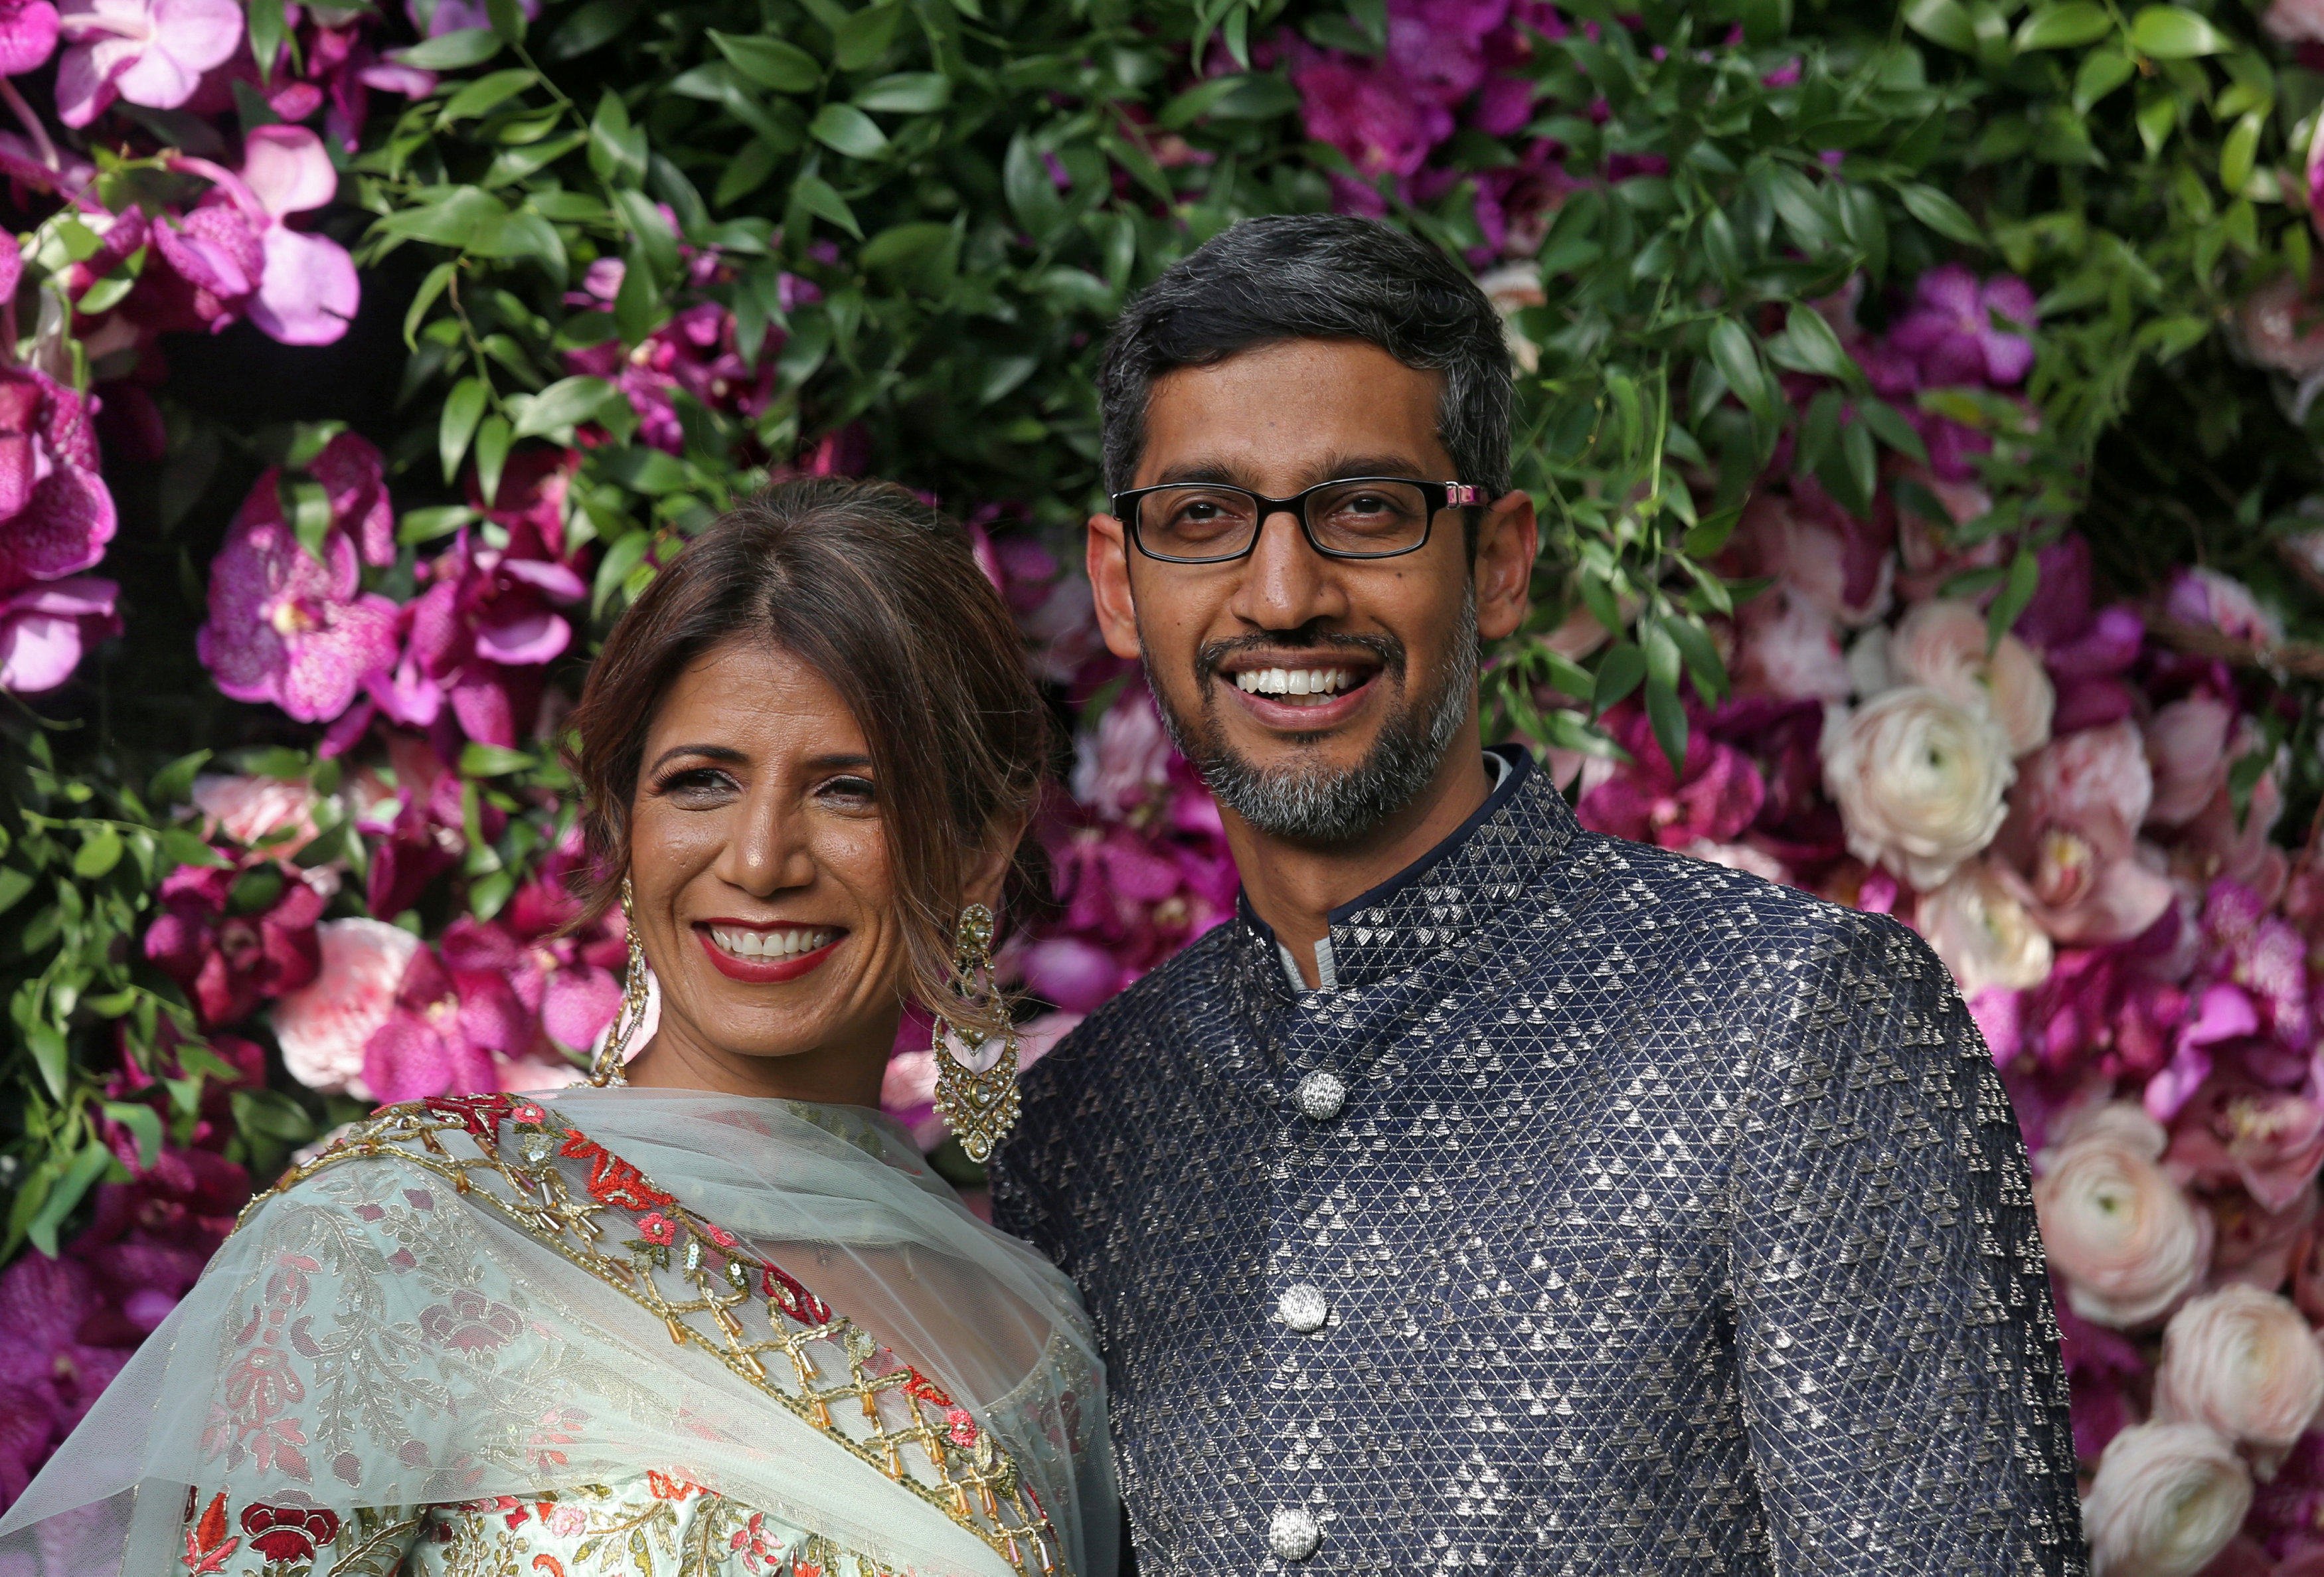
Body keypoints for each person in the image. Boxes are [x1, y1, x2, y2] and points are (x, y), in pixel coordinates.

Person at [989, 214, 2085, 1574]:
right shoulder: (1082, 1130)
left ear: (1497, 561)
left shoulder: (1791, 1022)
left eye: (1365, 509)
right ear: (1117, 583)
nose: (1282, 593)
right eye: (1203, 519)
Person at [0, 479, 1116, 1577]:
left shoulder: (1035, 1345)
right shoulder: (406, 1229)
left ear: (979, 845)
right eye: (700, 783)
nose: (763, 860)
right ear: (623, 826)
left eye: (849, 791)